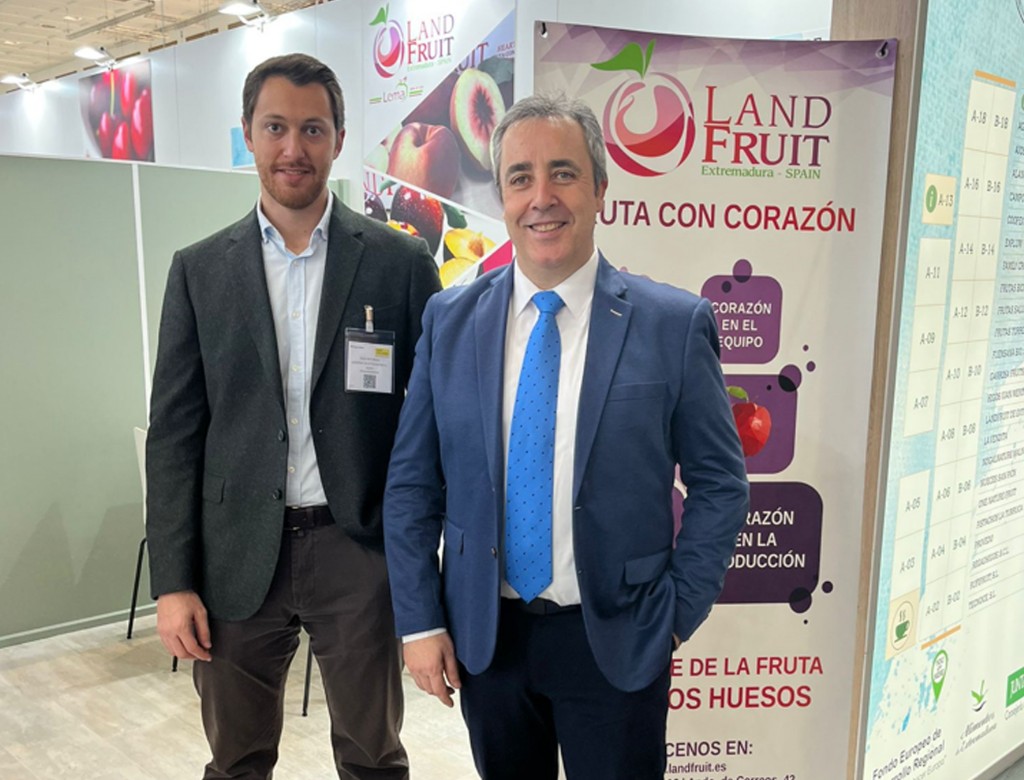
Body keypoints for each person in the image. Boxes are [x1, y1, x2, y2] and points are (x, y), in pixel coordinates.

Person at [382, 93, 750, 779]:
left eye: (564, 173)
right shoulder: (449, 321)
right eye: (520, 177)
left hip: (618, 639)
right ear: (501, 195)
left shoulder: (673, 325)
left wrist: (675, 614)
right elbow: (411, 485)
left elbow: (721, 484)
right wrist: (421, 621)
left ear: (600, 189)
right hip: (488, 640)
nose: (541, 197)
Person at [145, 53, 440, 780]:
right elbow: (175, 436)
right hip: (236, 555)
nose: (293, 148)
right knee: (236, 761)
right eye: (275, 127)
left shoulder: (399, 264)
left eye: (313, 129)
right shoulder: (199, 270)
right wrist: (173, 581)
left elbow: (435, 420)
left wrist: (423, 559)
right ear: (248, 133)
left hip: (357, 549)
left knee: (374, 758)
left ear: (339, 138)